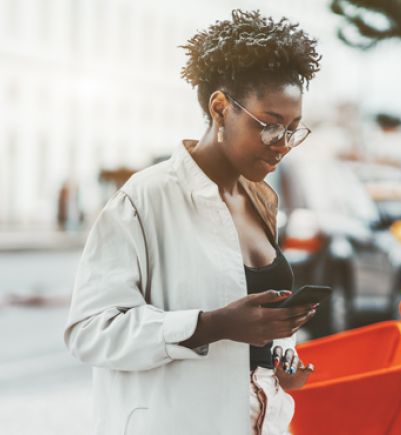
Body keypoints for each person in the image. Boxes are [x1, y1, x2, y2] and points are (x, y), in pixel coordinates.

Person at [64, 10, 321, 435]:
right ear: (220, 108)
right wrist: (210, 324)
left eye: (293, 130)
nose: (283, 146)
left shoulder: (260, 200)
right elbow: (89, 331)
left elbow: (253, 328)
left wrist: (279, 363)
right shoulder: (145, 198)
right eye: (271, 127)